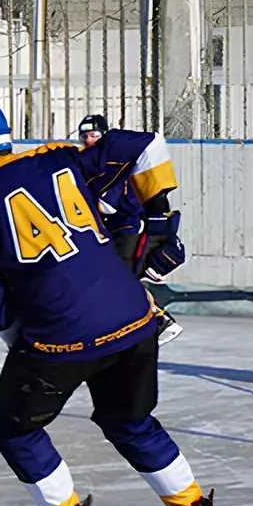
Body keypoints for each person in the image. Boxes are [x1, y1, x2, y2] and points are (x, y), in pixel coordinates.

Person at [0, 101, 223, 506]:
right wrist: (158, 215)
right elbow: (147, 145)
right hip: (136, 317)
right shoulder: (58, 155)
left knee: (12, 426)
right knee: (132, 422)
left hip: (61, 337)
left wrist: (26, 357)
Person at [78, 113, 183, 345]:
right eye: (84, 135)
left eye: (93, 134)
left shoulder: (114, 165)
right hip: (115, 233)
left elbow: (107, 206)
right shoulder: (99, 166)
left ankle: (159, 321)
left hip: (128, 231)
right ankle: (155, 321)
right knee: (115, 282)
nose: (88, 140)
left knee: (117, 282)